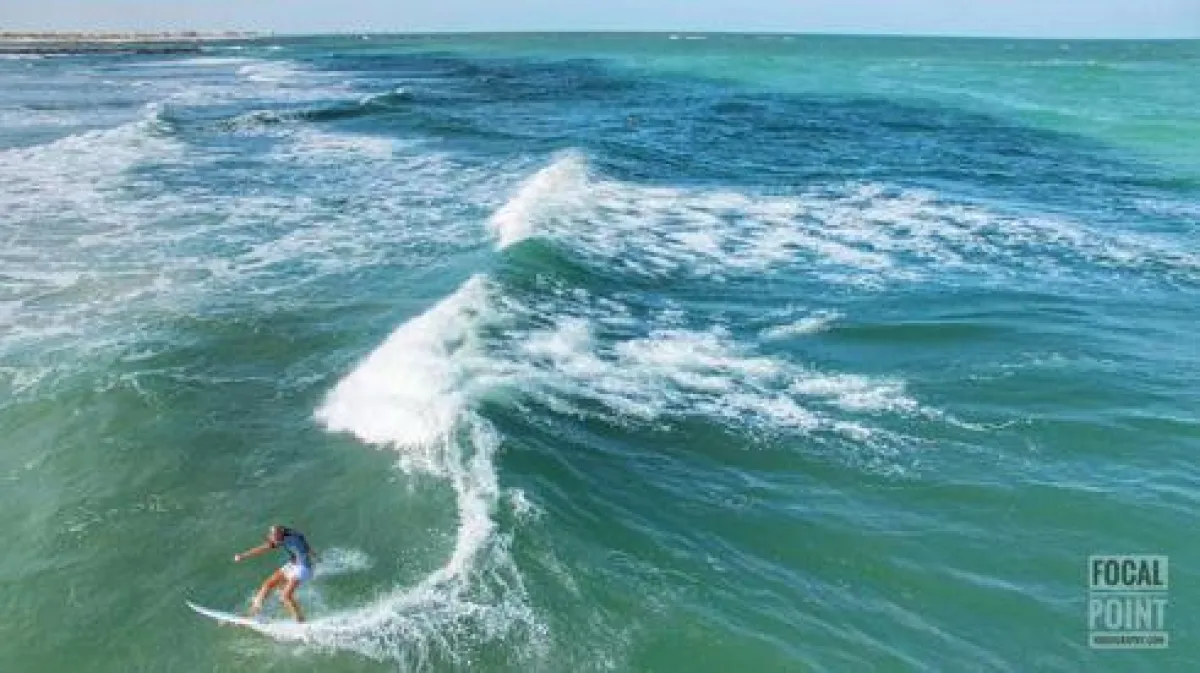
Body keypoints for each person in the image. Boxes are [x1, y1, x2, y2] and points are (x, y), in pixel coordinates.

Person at [233, 525, 315, 622]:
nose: (273, 539)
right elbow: (262, 548)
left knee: (285, 595)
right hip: (293, 565)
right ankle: (253, 613)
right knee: (267, 584)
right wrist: (242, 556)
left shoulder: (293, 537)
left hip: (303, 568)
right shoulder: (280, 539)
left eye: (275, 536)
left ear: (281, 534)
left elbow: (301, 537)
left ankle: (300, 621)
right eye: (272, 536)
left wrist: (309, 551)